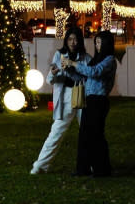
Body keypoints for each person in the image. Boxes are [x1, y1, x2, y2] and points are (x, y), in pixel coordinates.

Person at [30, 27, 90, 174]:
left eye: (75, 39)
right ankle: (40, 165)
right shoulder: (59, 55)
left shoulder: (85, 57)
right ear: (66, 40)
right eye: (70, 39)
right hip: (66, 98)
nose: (73, 42)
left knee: (88, 133)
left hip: (82, 96)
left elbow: (89, 77)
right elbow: (50, 79)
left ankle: (92, 165)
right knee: (56, 133)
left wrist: (74, 69)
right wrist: (53, 73)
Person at [63, 30, 117, 177]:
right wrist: (68, 70)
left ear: (106, 44)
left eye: (100, 43)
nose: (97, 46)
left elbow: (94, 72)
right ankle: (83, 168)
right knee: (85, 136)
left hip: (99, 101)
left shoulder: (109, 60)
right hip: (90, 100)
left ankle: (102, 169)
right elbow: (84, 76)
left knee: (96, 136)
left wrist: (74, 63)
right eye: (96, 43)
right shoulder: (97, 59)